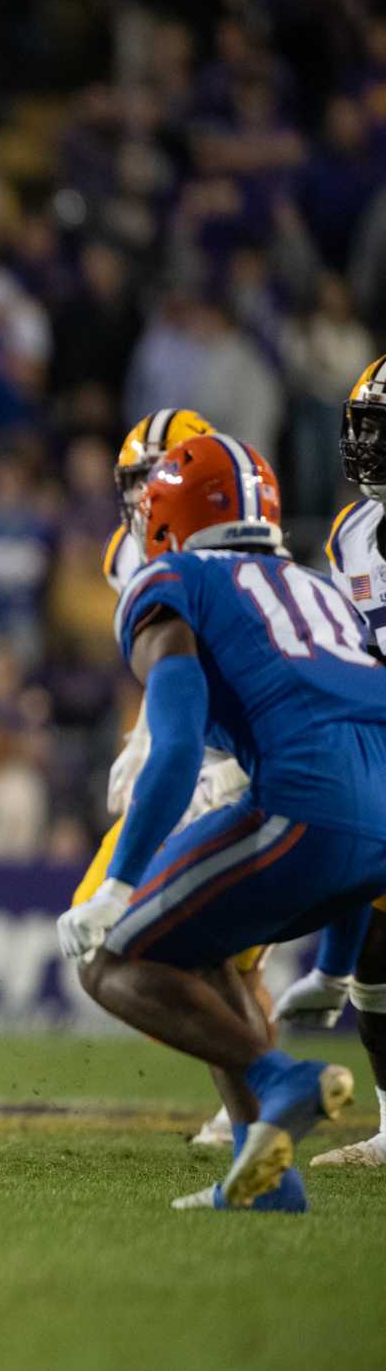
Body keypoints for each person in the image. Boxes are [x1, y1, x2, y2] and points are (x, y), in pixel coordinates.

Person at [59, 434, 373, 1212]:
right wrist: (335, 964)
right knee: (203, 946)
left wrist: (118, 886)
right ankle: (266, 1177)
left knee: (111, 958)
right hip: (374, 804)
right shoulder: (319, 584)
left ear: (168, 511)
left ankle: (280, 1078)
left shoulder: (172, 577)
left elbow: (172, 748)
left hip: (308, 798)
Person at [301, 353, 386, 1169]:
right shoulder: (350, 532)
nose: (367, 446)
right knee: (375, 951)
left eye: (380, 430)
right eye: (363, 427)